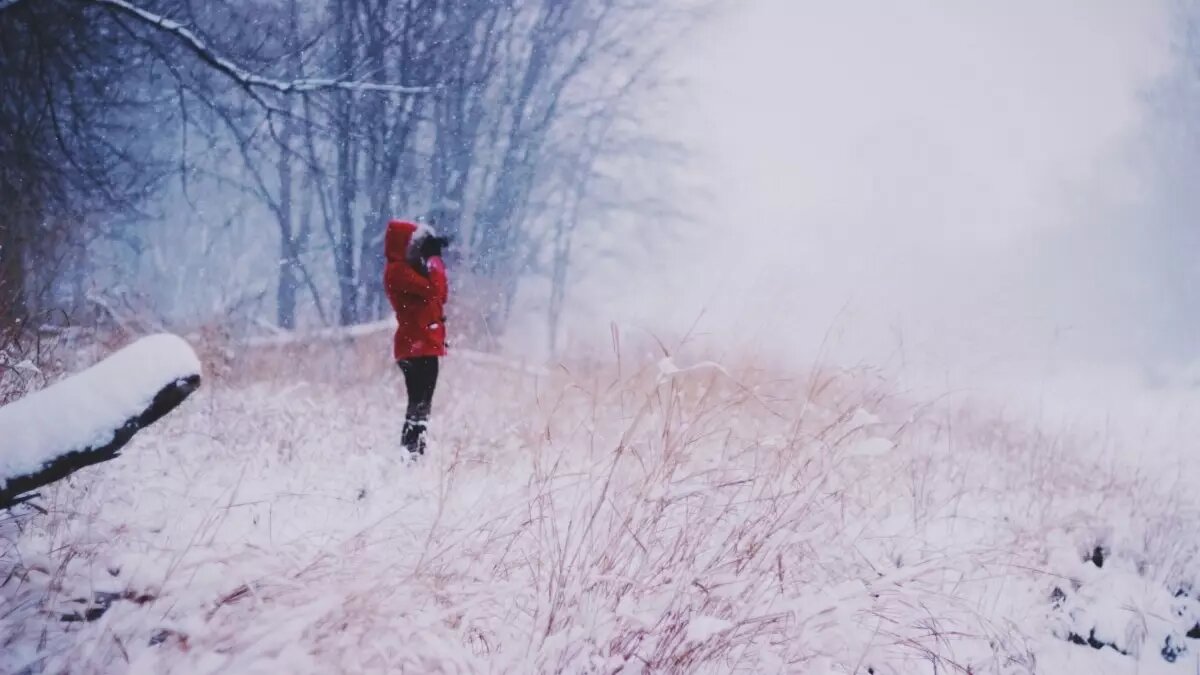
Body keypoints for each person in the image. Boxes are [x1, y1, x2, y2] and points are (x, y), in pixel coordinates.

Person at [383, 219, 449, 457]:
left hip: (422, 345)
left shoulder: (406, 271)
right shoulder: (398, 271)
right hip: (416, 347)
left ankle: (413, 453)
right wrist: (434, 261)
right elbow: (434, 290)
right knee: (419, 405)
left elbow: (440, 295)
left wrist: (432, 262)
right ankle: (411, 454)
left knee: (421, 406)